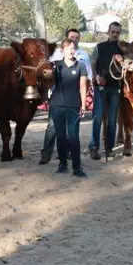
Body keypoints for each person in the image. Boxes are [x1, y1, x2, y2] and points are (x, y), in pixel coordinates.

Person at [40, 28, 92, 164]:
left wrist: (83, 103)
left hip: (73, 99)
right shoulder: (55, 58)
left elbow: (86, 80)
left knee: (71, 131)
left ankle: (66, 153)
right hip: (57, 98)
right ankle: (46, 153)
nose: (74, 40)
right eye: (72, 37)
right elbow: (47, 74)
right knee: (52, 127)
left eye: (76, 38)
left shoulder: (83, 57)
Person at [49, 38, 89, 177]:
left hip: (74, 105)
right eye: (68, 49)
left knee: (73, 137)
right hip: (57, 104)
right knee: (60, 136)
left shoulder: (80, 66)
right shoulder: (55, 66)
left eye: (73, 49)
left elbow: (83, 87)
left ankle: (77, 167)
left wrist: (83, 105)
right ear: (62, 50)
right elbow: (47, 82)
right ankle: (62, 164)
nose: (71, 51)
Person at [88, 22, 124, 160]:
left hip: (115, 88)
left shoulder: (123, 49)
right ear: (108, 32)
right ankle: (93, 147)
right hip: (101, 87)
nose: (115, 34)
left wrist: (122, 61)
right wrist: (96, 76)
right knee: (97, 118)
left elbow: (130, 65)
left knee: (112, 120)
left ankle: (109, 148)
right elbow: (92, 63)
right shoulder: (99, 47)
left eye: (117, 32)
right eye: (113, 32)